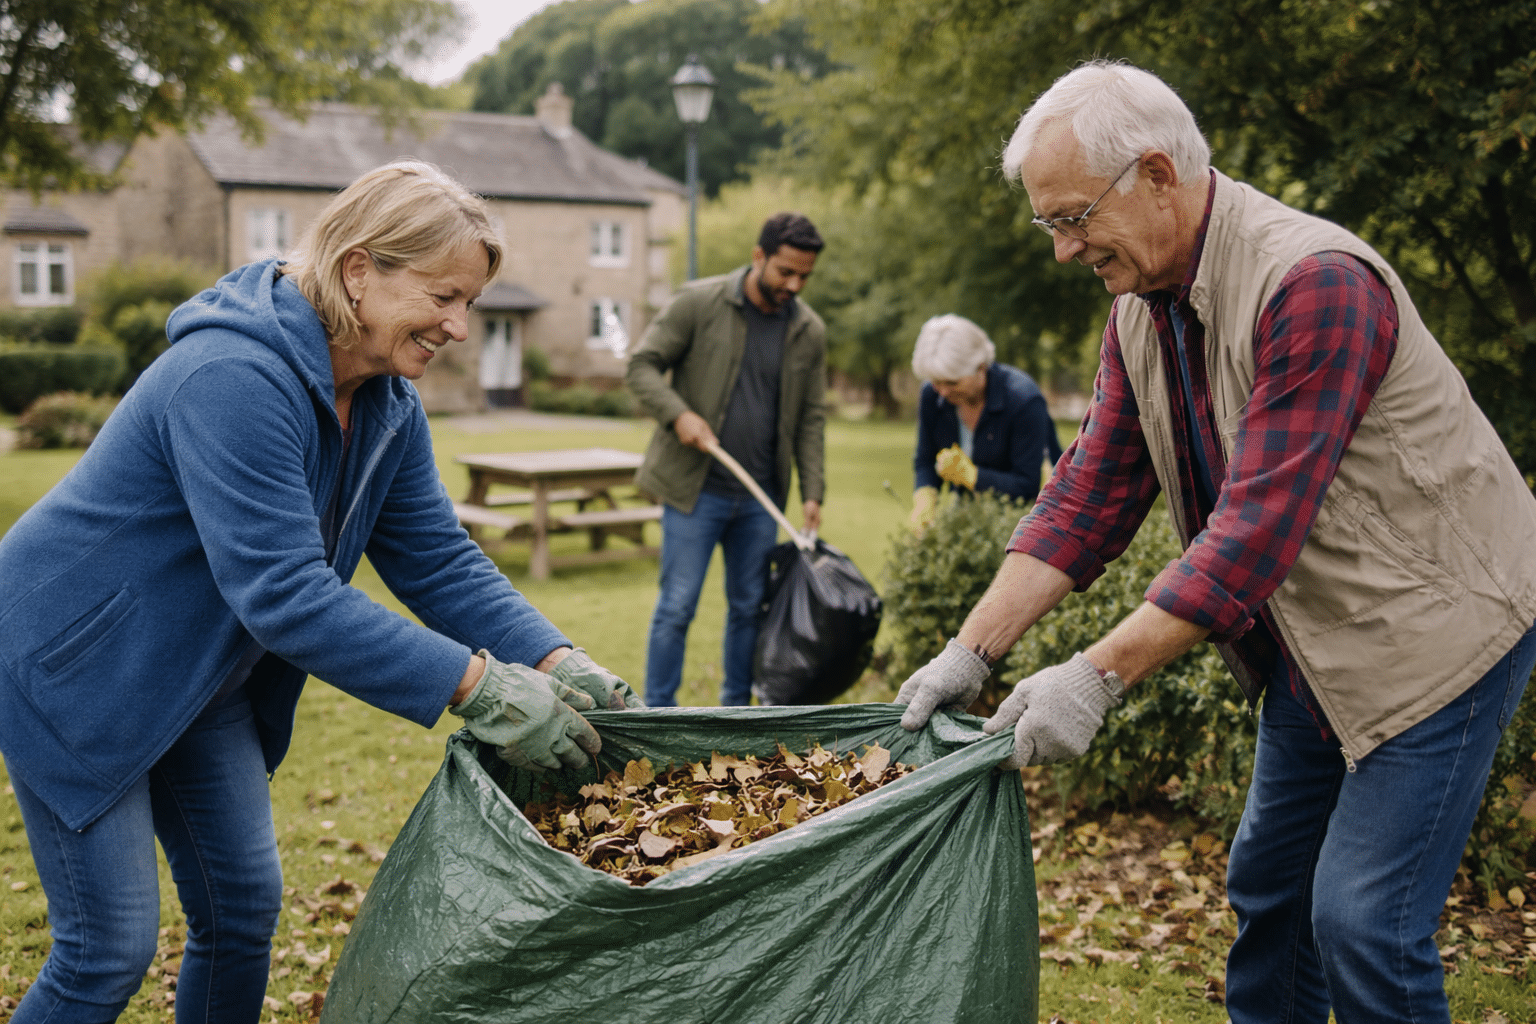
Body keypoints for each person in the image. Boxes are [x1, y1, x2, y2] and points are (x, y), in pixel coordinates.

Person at [894, 60, 1536, 1024]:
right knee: (1271, 894)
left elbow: (1251, 536)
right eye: (1049, 223)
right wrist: (970, 651)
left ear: (1157, 174)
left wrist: (1095, 675)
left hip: (1440, 630)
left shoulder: (1315, 283)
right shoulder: (1139, 312)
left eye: (1073, 217)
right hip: (1315, 643)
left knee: (1362, 920)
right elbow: (1087, 499)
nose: (1064, 250)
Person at [0, 161, 642, 1024]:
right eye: (444, 297)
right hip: (77, 665)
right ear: (359, 271)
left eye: (470, 304)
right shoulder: (230, 374)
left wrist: (560, 658)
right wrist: (477, 686)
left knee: (240, 913)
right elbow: (286, 594)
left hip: (202, 679)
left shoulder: (385, 401)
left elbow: (436, 558)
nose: (458, 327)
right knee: (105, 949)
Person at [626, 212, 827, 707]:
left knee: (748, 609)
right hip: (696, 492)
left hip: (760, 498)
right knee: (676, 607)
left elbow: (812, 418)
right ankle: (658, 714)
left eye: (805, 275)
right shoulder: (699, 302)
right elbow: (641, 366)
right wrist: (679, 416)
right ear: (758, 256)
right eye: (785, 272)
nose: (794, 285)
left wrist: (814, 491)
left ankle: (735, 713)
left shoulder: (809, 330)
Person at [908, 313, 1062, 531]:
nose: (943, 392)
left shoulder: (1023, 400)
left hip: (1025, 523)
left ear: (980, 368)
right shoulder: (931, 397)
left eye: (952, 382)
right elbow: (925, 459)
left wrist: (973, 476)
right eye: (936, 382)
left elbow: (1028, 485)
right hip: (970, 521)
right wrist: (925, 495)